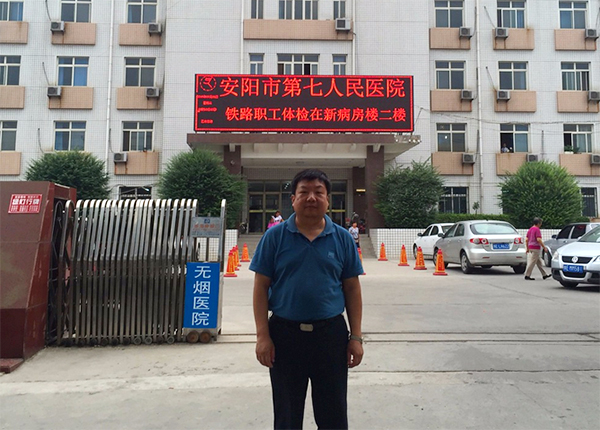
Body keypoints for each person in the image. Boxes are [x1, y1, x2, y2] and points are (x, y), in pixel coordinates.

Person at [251, 169, 364, 430]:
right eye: (304, 192)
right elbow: (260, 288)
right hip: (285, 336)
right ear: (293, 199)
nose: (311, 197)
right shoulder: (274, 237)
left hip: (331, 336)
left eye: (318, 192)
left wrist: (356, 337)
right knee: (287, 415)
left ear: (328, 200)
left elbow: (352, 289)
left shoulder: (342, 238)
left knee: (333, 414)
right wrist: (262, 336)